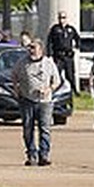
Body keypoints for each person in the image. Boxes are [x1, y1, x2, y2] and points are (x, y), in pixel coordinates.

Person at [11, 38, 63, 166]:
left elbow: (57, 81)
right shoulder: (22, 63)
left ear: (41, 49)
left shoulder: (48, 63)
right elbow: (14, 76)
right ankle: (31, 155)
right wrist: (17, 89)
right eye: (29, 47)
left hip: (45, 101)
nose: (30, 50)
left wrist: (49, 89)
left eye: (33, 47)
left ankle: (44, 155)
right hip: (27, 100)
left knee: (44, 128)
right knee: (28, 128)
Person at [46, 11, 81, 95]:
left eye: (64, 17)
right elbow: (49, 42)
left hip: (68, 56)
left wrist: (77, 47)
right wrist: (50, 54)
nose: (62, 20)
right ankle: (54, 90)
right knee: (56, 74)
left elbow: (77, 38)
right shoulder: (55, 29)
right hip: (58, 56)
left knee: (70, 75)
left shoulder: (71, 29)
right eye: (60, 18)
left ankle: (74, 90)